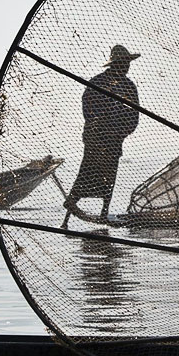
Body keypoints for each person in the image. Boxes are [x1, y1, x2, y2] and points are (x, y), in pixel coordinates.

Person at [61, 45, 141, 228]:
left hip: (115, 139)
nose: (126, 67)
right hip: (96, 138)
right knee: (87, 172)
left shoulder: (128, 86)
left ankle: (104, 214)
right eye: (123, 63)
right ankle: (67, 215)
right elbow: (88, 110)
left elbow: (134, 114)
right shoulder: (97, 83)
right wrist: (100, 124)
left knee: (109, 176)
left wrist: (122, 132)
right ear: (115, 64)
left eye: (127, 63)